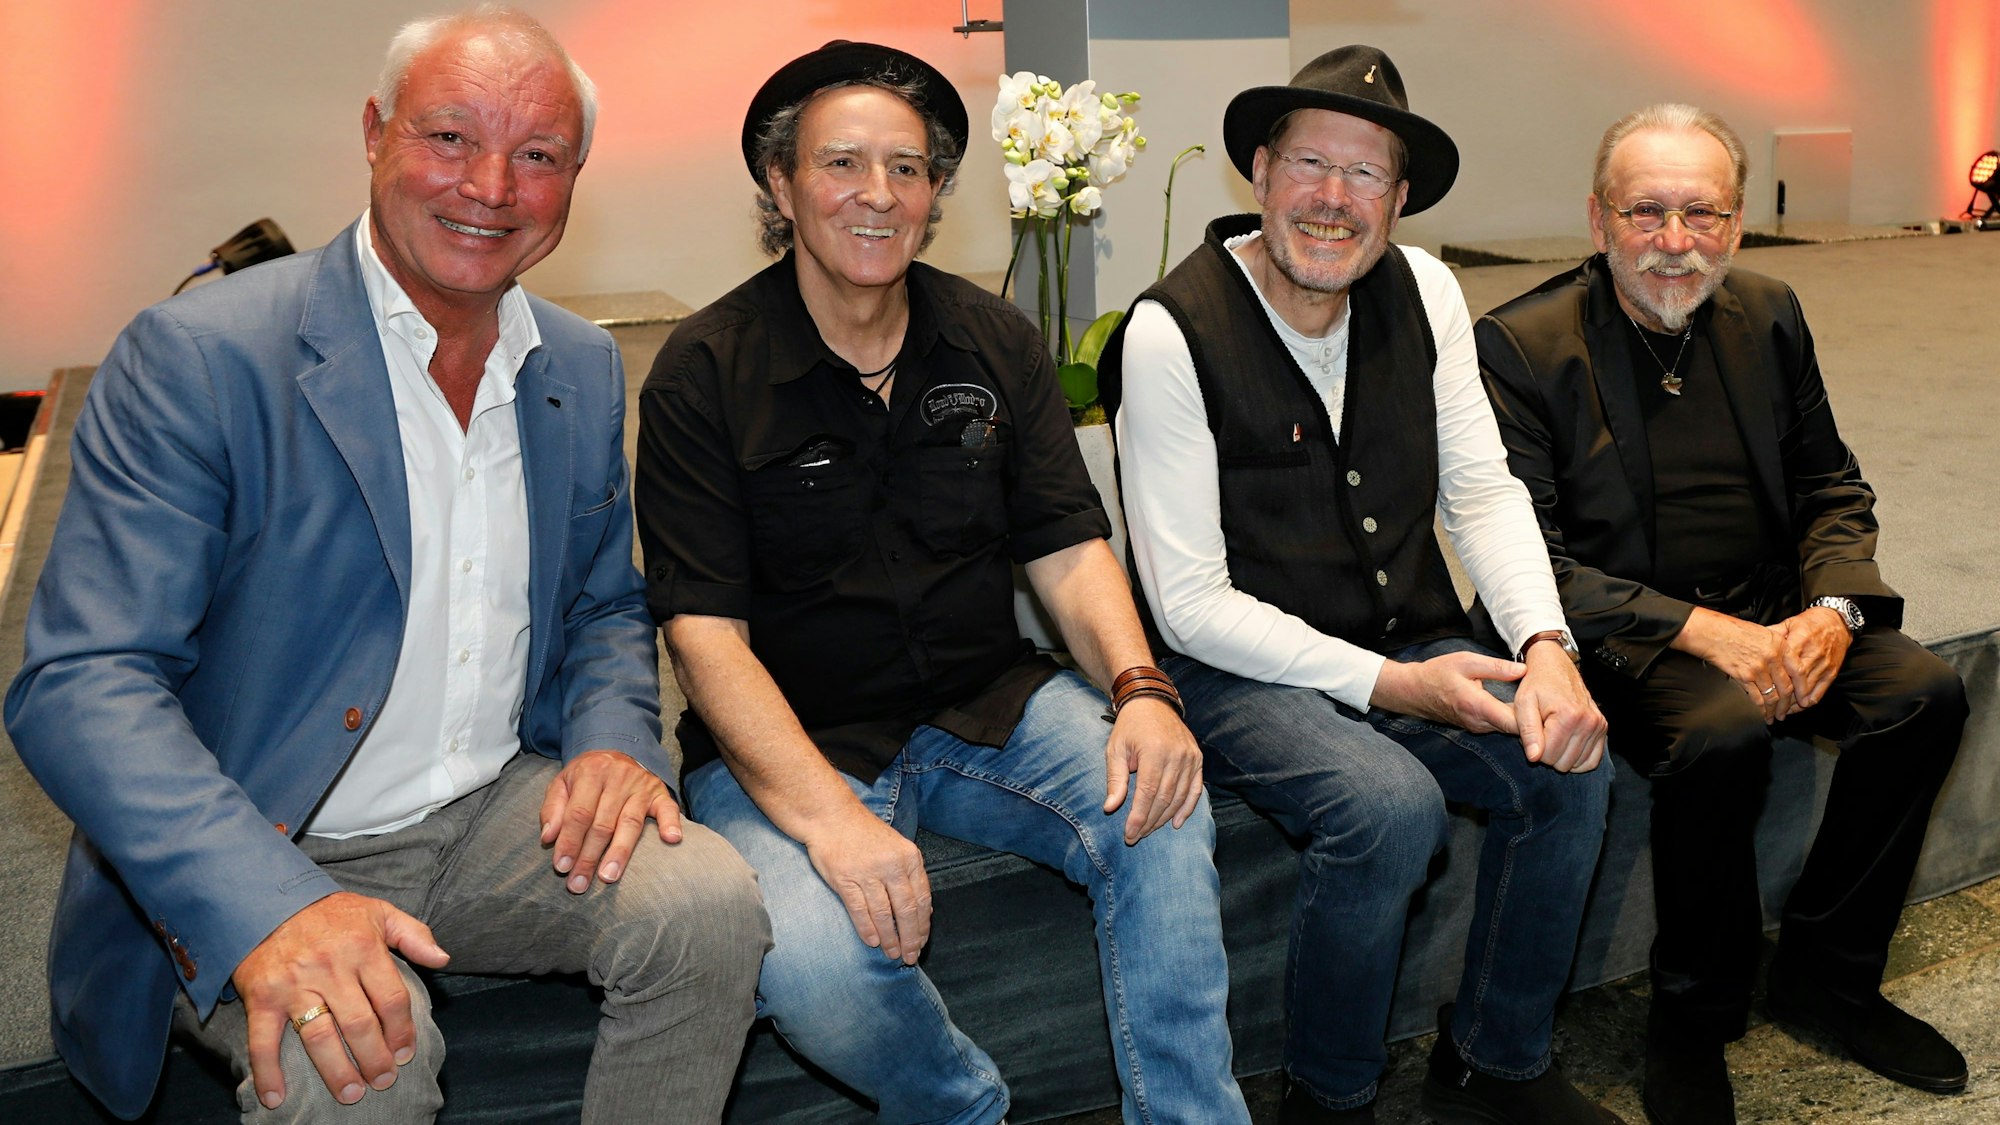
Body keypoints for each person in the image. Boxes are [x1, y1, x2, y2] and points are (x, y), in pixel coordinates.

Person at [4, 8, 768, 1122]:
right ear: (374, 133)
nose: (491, 187)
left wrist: (613, 739)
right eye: (449, 138)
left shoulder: (580, 364)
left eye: (539, 156)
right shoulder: (199, 361)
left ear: (573, 182)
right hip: (261, 828)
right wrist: (266, 904)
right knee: (366, 1059)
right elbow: (82, 681)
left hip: (486, 811)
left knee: (708, 907)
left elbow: (605, 603)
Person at [635, 40, 1249, 1125]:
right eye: (842, 164)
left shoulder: (992, 340)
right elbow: (704, 637)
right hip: (793, 741)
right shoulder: (705, 369)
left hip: (990, 702)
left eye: (907, 169)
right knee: (814, 965)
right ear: (780, 187)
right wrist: (830, 821)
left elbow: (1066, 546)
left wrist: (1142, 692)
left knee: (1162, 808)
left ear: (933, 195)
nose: (877, 195)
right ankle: (967, 1110)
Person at [1102, 44, 1619, 1125]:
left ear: (1397, 198)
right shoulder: (1168, 330)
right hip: (1233, 664)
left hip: (1400, 632)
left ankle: (1493, 1059)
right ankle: (1329, 1097)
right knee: (1385, 806)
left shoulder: (1423, 287)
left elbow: (1479, 490)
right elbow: (1188, 604)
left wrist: (1545, 649)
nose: (1332, 200)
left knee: (1569, 763)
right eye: (1308, 165)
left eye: (1365, 176)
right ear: (1257, 171)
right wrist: (1391, 687)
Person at [1474, 103, 1969, 1125]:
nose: (1671, 242)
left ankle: (1826, 974)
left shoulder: (1769, 310)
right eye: (1644, 212)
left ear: (1736, 223)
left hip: (1770, 608)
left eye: (1699, 215)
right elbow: (1527, 561)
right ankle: (1691, 1018)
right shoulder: (1521, 346)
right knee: (1720, 731)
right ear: (1598, 218)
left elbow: (1831, 486)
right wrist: (1705, 635)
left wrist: (1829, 612)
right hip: (1626, 635)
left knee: (1920, 692)